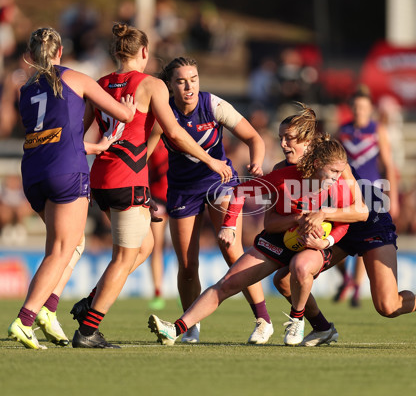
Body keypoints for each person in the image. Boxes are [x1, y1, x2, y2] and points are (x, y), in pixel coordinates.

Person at [70, 23, 233, 349]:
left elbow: (79, 133)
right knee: (123, 256)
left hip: (101, 176)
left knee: (142, 248)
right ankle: (88, 329)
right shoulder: (151, 84)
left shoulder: (100, 83)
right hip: (127, 177)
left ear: (116, 52)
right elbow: (173, 133)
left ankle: (89, 300)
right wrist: (211, 160)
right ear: (144, 52)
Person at [269, 105, 416, 346]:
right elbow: (277, 216)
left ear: (307, 141)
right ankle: (322, 328)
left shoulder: (332, 160)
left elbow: (360, 211)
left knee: (387, 306)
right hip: (338, 230)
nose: (283, 144)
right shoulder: (281, 171)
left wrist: (323, 214)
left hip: (369, 223)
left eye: (289, 139)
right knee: (284, 279)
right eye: (281, 139)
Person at [148, 136, 354, 346]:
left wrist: (326, 243)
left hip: (315, 245)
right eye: (334, 172)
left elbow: (344, 223)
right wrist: (229, 225)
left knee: (299, 267)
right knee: (227, 284)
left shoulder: (339, 188)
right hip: (279, 239)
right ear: (318, 164)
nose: (339, 177)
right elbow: (240, 192)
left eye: (340, 172)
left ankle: (297, 319)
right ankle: (174, 329)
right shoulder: (285, 177)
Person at [7, 27, 135, 349]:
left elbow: (54, 136)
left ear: (32, 54)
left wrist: (94, 147)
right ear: (60, 51)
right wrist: (130, 111)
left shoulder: (24, 89)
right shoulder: (76, 78)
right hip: (66, 172)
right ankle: (25, 320)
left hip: (34, 173)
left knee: (71, 244)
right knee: (61, 250)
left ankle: (49, 311)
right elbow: (121, 113)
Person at [151, 56, 271, 344]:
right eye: (181, 81)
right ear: (170, 85)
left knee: (230, 248)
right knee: (188, 266)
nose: (188, 86)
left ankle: (263, 320)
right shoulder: (163, 113)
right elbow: (143, 155)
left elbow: (254, 138)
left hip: (220, 181)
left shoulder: (213, 105)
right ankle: (191, 326)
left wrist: (256, 162)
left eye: (193, 79)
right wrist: (140, 189)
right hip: (181, 190)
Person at [334, 86, 399, 307]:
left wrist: (393, 196)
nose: (359, 110)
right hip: (347, 190)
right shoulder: (342, 130)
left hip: (373, 190)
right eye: (355, 106)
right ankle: (347, 278)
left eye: (363, 106)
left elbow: (388, 164)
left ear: (370, 108)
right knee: (335, 232)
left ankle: (357, 288)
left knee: (367, 238)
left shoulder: (377, 129)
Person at [147, 137, 169, 310]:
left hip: (179, 193)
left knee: (183, 247)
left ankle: (185, 288)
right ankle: (157, 292)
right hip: (159, 196)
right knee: (157, 245)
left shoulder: (181, 133)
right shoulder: (154, 138)